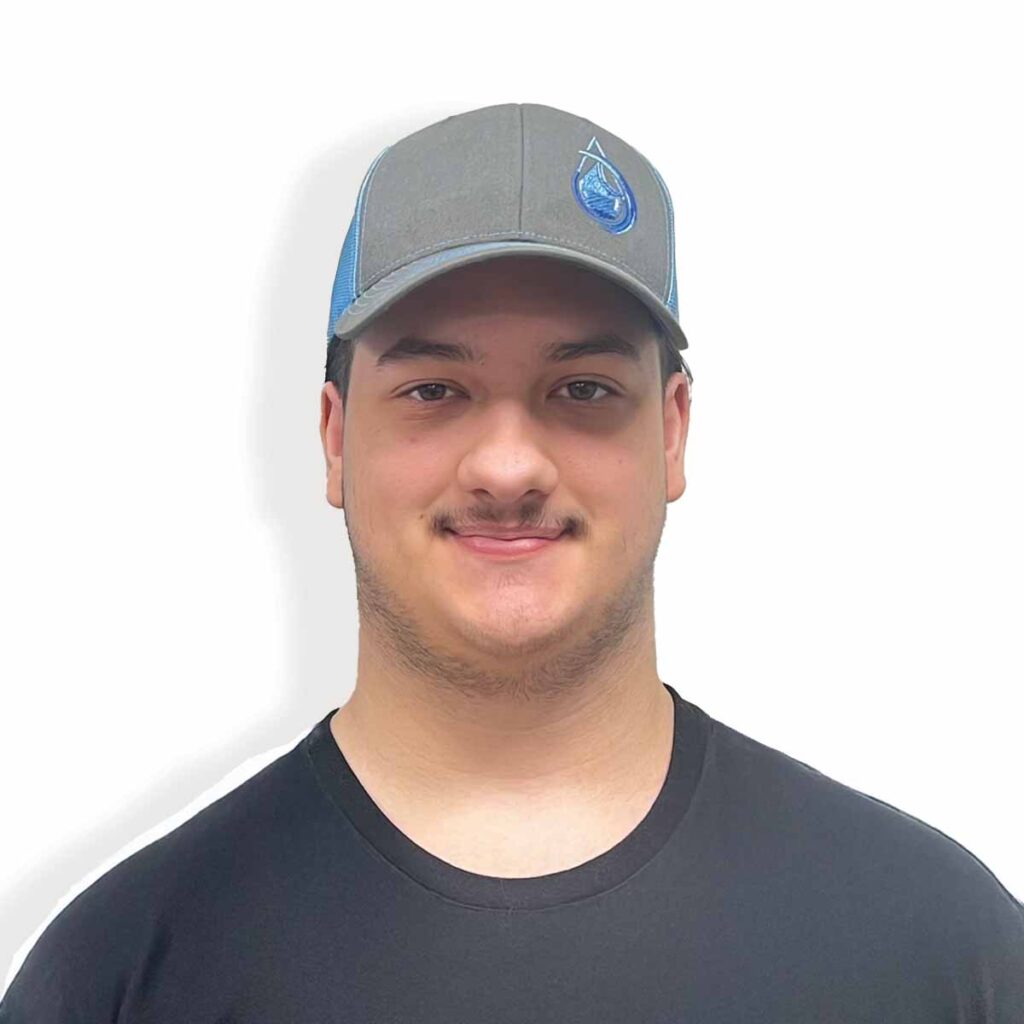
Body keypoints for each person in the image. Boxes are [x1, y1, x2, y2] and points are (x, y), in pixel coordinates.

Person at [2, 101, 1021, 1022]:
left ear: (671, 432)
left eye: (582, 390)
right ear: (335, 439)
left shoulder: (938, 948)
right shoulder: (126, 974)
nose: (506, 465)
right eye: (433, 390)